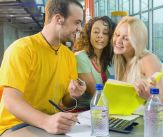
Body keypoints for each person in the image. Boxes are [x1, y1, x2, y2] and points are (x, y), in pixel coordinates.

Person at [0, 0, 86, 135]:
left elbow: (65, 101)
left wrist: (74, 95)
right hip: (16, 126)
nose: (80, 28)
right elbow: (11, 100)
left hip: (50, 125)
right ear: (58, 19)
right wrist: (46, 121)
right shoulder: (22, 49)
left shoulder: (69, 56)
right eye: (77, 22)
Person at [112, 16, 163, 102]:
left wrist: (149, 96)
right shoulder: (121, 62)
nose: (118, 40)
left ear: (136, 42)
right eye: (117, 35)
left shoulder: (147, 59)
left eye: (126, 38)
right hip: (135, 114)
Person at [74, 16, 116, 110]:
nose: (100, 35)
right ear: (89, 35)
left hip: (102, 109)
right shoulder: (81, 57)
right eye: (96, 32)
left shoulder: (108, 59)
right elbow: (96, 93)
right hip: (83, 112)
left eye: (105, 33)